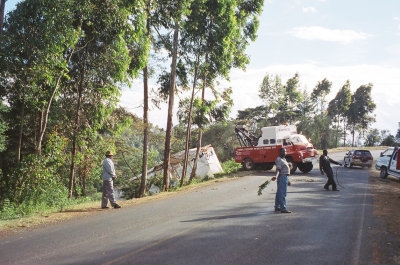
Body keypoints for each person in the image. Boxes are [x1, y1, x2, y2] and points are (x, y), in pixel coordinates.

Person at [273, 147, 292, 213]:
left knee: (279, 193)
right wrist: (276, 176)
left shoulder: (283, 159)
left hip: (285, 177)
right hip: (282, 177)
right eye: (283, 152)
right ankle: (283, 208)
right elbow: (278, 169)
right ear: (279, 152)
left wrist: (288, 180)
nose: (284, 153)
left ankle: (277, 207)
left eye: (285, 151)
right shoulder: (279, 159)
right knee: (282, 193)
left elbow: (285, 170)